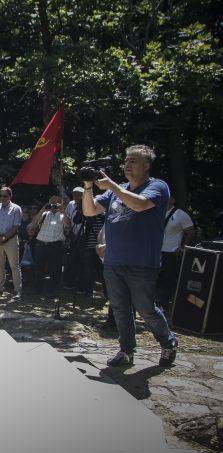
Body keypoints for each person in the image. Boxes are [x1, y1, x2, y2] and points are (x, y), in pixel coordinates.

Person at [82, 144, 178, 367]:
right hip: (114, 261)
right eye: (126, 160)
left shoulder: (157, 186)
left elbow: (139, 204)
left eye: (133, 161)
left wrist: (112, 186)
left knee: (146, 309)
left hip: (142, 261)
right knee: (120, 309)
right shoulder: (117, 189)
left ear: (146, 166)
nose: (127, 164)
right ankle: (126, 351)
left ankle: (168, 342)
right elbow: (89, 210)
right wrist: (88, 187)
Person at [157, 195, 195, 312]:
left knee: (168, 279)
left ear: (173, 200)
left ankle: (163, 303)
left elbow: (190, 232)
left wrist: (182, 247)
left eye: (168, 197)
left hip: (171, 252)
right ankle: (153, 301)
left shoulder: (180, 214)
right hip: (156, 251)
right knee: (153, 277)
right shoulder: (157, 211)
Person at [0, 186, 22, 299]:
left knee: (14, 266)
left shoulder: (16, 209)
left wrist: (4, 238)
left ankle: (17, 291)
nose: (2, 198)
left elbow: (16, 226)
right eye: (0, 196)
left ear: (10, 196)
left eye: (5, 196)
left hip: (10, 240)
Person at [32, 196, 70, 297]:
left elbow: (67, 227)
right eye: (52, 203)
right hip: (41, 244)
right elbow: (34, 223)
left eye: (57, 203)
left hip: (55, 245)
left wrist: (63, 211)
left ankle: (51, 291)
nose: (54, 205)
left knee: (54, 270)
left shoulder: (63, 216)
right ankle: (37, 290)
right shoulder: (44, 214)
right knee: (38, 268)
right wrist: (42, 209)